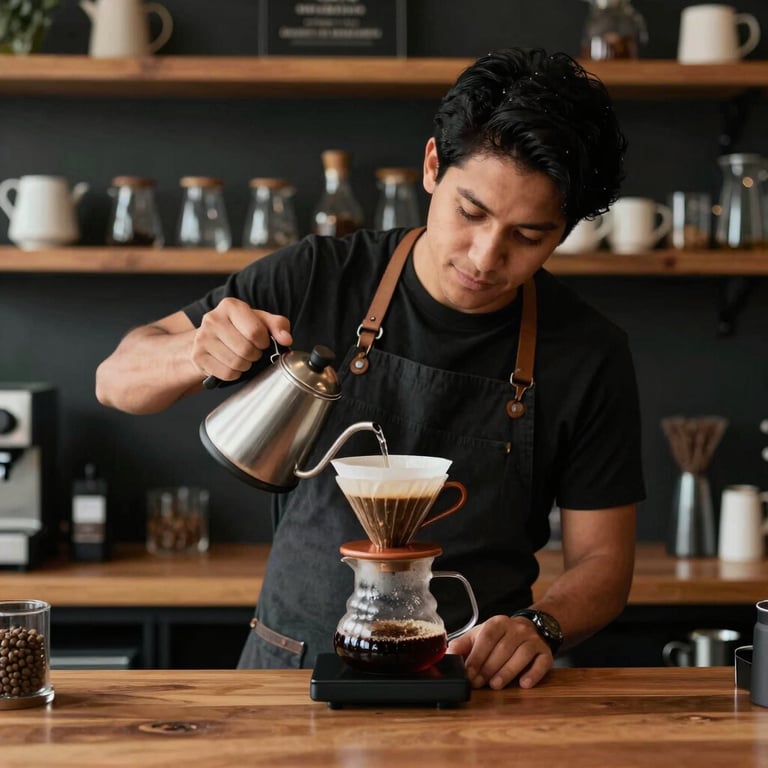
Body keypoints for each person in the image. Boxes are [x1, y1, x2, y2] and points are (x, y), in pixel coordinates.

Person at [96, 48, 645, 690]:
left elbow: (604, 563)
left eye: (528, 236)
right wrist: (192, 352)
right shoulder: (317, 277)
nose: (485, 256)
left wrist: (541, 625)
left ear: (565, 231)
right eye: (471, 213)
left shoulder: (587, 351)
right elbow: (116, 380)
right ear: (434, 166)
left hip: (471, 682)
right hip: (289, 672)